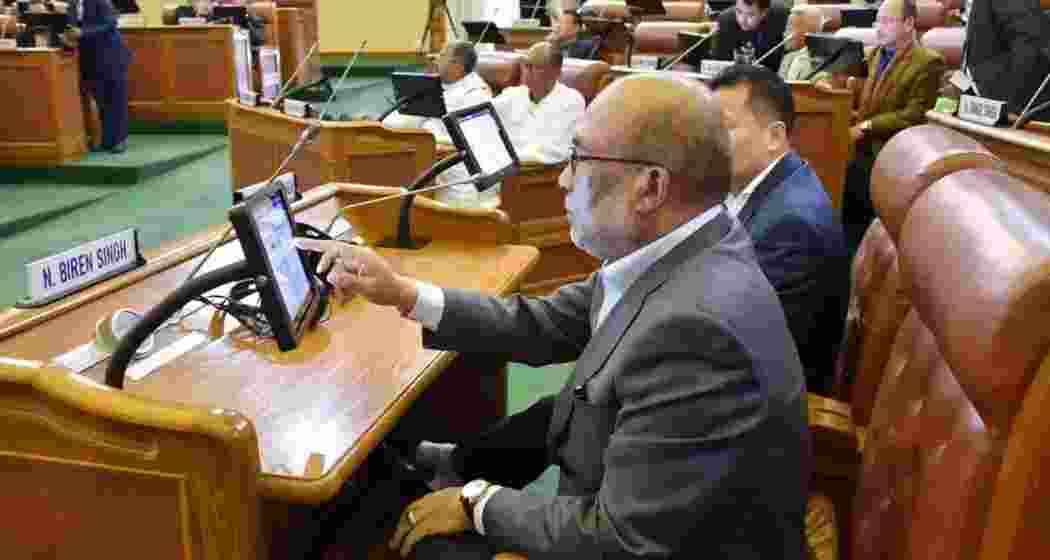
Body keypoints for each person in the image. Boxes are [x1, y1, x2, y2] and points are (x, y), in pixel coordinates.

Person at [297, 73, 810, 560]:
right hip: (640, 507)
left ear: (651, 188)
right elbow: (542, 323)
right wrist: (402, 292)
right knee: (559, 406)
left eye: (579, 158)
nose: (564, 179)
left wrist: (476, 503)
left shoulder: (697, 330)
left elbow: (621, 539)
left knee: (404, 535)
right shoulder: (681, 248)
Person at [710, 64, 847, 394]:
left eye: (722, 128)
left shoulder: (791, 226)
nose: (707, 142)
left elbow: (734, 345)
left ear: (774, 136)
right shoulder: (766, 183)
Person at [825, 0, 943, 249]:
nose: (878, 28)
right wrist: (833, 87)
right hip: (853, 153)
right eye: (877, 21)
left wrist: (867, 126)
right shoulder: (871, 53)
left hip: (889, 156)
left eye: (887, 21)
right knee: (844, 223)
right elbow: (850, 94)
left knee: (873, 233)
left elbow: (914, 114)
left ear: (909, 23)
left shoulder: (928, 62)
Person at [382, 41, 492, 145]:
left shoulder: (476, 94)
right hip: (406, 139)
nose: (436, 59)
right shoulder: (437, 83)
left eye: (442, 55)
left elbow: (467, 139)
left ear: (457, 64)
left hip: (437, 152)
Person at [958, 0, 1050, 122]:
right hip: (980, 104)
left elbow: (1031, 50)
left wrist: (1013, 110)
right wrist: (960, 83)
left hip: (1014, 113)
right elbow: (977, 50)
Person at [64, 0, 131, 153]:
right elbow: (72, 28)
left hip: (112, 55)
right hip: (91, 59)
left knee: (116, 99)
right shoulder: (71, 5)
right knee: (102, 101)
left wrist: (83, 33)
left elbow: (111, 24)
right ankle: (108, 140)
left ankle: (120, 140)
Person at [712, 0, 790, 72]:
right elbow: (720, 63)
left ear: (764, 13)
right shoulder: (725, 21)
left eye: (750, 15)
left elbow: (786, 57)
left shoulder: (781, 17)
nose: (742, 20)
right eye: (739, 11)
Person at [778, 4, 826, 81]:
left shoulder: (817, 62)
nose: (784, 33)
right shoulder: (787, 58)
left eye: (790, 28)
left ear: (808, 31)